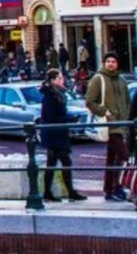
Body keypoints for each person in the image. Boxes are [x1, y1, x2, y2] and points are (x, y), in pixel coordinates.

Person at [85, 53, 131, 201]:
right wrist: (105, 112)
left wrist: (127, 116)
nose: (111, 64)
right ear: (104, 63)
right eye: (108, 61)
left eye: (113, 61)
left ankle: (109, 190)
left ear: (117, 64)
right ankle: (116, 186)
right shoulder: (98, 79)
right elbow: (90, 102)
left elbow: (127, 101)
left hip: (121, 124)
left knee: (112, 158)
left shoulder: (122, 80)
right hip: (108, 125)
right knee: (124, 156)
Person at [40, 68, 86, 202]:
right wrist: (69, 119)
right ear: (53, 81)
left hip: (58, 133)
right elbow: (52, 117)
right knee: (63, 162)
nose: (62, 80)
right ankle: (68, 192)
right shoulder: (50, 96)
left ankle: (50, 192)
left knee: (53, 163)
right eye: (59, 78)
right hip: (54, 135)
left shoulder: (58, 94)